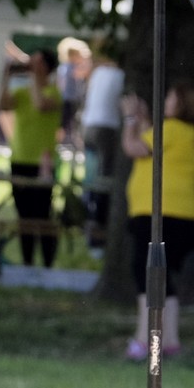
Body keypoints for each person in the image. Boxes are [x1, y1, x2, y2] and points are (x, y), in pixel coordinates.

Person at [121, 79, 194, 360]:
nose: (166, 101)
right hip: (182, 216)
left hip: (158, 213)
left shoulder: (171, 129)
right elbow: (151, 140)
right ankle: (169, 340)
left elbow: (134, 147)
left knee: (146, 272)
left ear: (181, 103)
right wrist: (144, 120)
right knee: (164, 277)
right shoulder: (189, 133)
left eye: (170, 97)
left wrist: (130, 119)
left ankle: (143, 339)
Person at [0, 48, 62, 267]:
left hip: (43, 163)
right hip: (19, 159)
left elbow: (40, 104)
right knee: (23, 214)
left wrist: (34, 75)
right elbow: (3, 105)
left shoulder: (54, 93)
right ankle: (27, 261)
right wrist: (6, 77)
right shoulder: (22, 92)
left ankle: (47, 263)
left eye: (37, 62)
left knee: (42, 214)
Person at [79, 39, 125, 251]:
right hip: (106, 127)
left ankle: (88, 216)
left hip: (89, 126)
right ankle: (97, 224)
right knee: (104, 179)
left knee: (91, 175)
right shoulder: (120, 76)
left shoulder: (99, 73)